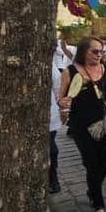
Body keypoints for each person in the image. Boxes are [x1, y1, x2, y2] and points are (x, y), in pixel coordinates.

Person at [58, 37, 106, 212]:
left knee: (105, 161)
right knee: (91, 163)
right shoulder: (71, 71)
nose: (100, 55)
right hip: (81, 126)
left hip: (105, 123)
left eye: (102, 51)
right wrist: (63, 103)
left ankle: (92, 189)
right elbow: (61, 97)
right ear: (84, 52)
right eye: (95, 51)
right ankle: (99, 204)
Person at [49, 51, 62, 194]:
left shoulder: (49, 65)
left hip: (49, 114)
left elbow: (58, 88)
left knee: (51, 149)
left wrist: (62, 109)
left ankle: (53, 178)